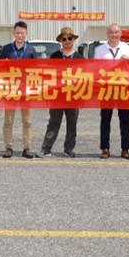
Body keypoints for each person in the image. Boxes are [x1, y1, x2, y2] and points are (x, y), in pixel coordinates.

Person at [94, 23, 129, 159]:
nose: (114, 35)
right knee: (105, 119)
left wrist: (128, 60)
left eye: (116, 32)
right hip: (106, 88)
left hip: (124, 87)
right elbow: (95, 69)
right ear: (107, 34)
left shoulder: (127, 48)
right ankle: (105, 148)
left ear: (120, 34)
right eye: (111, 32)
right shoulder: (100, 50)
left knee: (125, 120)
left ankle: (125, 149)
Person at [39, 27, 82, 158]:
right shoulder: (55, 56)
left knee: (72, 124)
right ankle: (46, 149)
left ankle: (69, 149)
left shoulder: (79, 58)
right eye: (64, 39)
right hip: (57, 96)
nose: (67, 41)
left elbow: (85, 78)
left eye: (70, 38)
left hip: (73, 96)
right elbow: (48, 76)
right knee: (53, 122)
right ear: (61, 41)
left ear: (73, 40)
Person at [0, 20, 36, 158]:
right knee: (8, 121)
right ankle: (8, 147)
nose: (20, 35)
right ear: (14, 33)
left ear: (26, 34)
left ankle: (27, 148)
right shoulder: (6, 49)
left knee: (27, 121)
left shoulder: (31, 50)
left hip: (26, 90)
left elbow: (36, 69)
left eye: (22, 33)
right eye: (18, 32)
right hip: (10, 89)